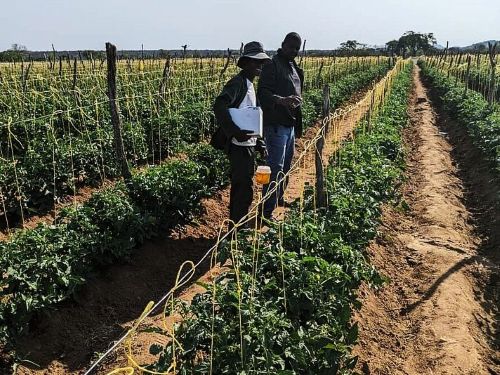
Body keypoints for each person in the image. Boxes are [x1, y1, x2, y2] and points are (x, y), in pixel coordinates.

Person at [212, 41, 270, 227]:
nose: (260, 66)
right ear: (245, 63)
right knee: (242, 189)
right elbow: (219, 105)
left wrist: (259, 143)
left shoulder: (250, 85)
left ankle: (238, 228)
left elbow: (253, 116)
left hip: (248, 144)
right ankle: (235, 231)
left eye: (261, 63)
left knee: (245, 187)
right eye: (256, 62)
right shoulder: (237, 83)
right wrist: (235, 132)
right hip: (238, 146)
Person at [257, 32, 304, 220]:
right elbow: (263, 92)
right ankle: (266, 210)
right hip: (276, 124)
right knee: (274, 167)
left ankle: (278, 198)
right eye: (290, 47)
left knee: (285, 166)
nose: (293, 51)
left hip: (290, 124)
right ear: (283, 44)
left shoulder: (293, 67)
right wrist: (282, 101)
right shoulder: (272, 65)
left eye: (296, 48)